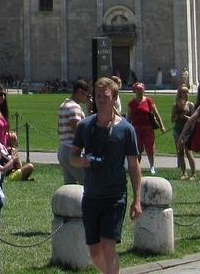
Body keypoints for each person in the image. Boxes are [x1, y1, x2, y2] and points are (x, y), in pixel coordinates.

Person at [69, 77, 143, 274]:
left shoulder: (126, 129)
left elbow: (134, 166)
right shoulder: (85, 125)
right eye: (98, 96)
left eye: (105, 96)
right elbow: (72, 156)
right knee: (94, 251)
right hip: (91, 195)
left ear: (114, 98)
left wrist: (137, 199)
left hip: (114, 196)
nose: (100, 100)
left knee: (109, 246)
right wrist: (80, 162)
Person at [126, 83, 164, 175]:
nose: (140, 92)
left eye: (141, 90)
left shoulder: (148, 101)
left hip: (148, 128)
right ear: (134, 91)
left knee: (150, 148)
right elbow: (129, 117)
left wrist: (161, 125)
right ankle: (137, 167)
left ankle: (152, 166)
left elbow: (156, 114)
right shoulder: (131, 103)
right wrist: (127, 128)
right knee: (137, 148)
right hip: (136, 128)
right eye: (138, 90)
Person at [57, 79, 90, 184]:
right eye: (87, 95)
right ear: (80, 92)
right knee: (87, 182)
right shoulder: (75, 107)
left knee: (70, 185)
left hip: (63, 149)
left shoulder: (64, 105)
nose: (88, 98)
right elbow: (77, 130)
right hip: (72, 150)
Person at [170, 86, 197, 180]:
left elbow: (194, 119)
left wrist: (185, 117)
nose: (185, 94)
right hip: (177, 131)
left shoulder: (190, 105)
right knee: (180, 153)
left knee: (189, 153)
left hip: (188, 132)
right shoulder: (175, 105)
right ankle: (184, 173)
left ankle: (193, 174)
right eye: (183, 92)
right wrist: (178, 117)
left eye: (186, 92)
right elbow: (172, 119)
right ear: (180, 93)